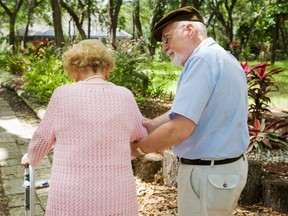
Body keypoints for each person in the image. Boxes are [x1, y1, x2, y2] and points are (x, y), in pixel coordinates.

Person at [131, 6, 249, 216]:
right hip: (223, 171)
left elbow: (180, 128)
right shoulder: (221, 56)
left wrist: (138, 149)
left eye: (167, 38)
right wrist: (151, 126)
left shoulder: (201, 60)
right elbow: (186, 111)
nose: (164, 47)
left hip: (207, 173)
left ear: (188, 29)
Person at [21, 39, 147, 216]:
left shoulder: (62, 95)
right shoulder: (125, 96)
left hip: (71, 198)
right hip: (117, 196)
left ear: (74, 68)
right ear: (107, 67)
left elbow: (42, 139)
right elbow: (142, 137)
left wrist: (31, 158)